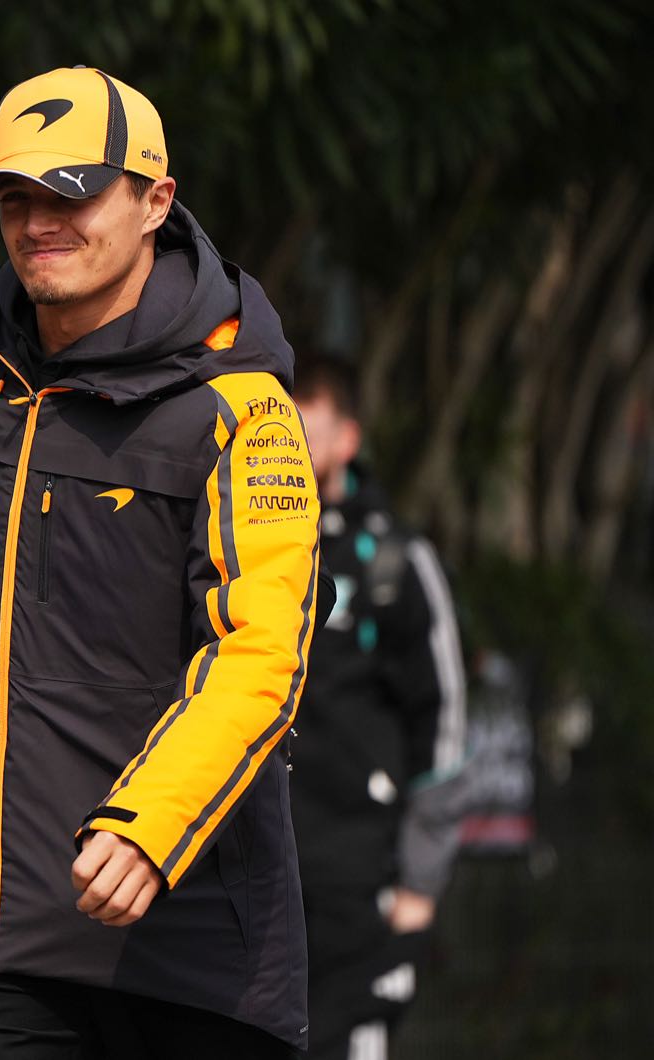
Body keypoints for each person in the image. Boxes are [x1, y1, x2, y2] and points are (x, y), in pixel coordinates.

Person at [0, 66, 327, 1058]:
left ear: (155, 200)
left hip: (192, 950)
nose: (37, 224)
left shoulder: (241, 407)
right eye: (13, 198)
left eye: (70, 193)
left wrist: (151, 825)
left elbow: (259, 652)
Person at [289, 356, 468, 1060]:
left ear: (347, 439)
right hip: (250, 876)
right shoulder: (236, 544)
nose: (291, 447)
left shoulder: (394, 560)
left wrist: (420, 886)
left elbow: (442, 724)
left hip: (357, 879)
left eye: (308, 431)